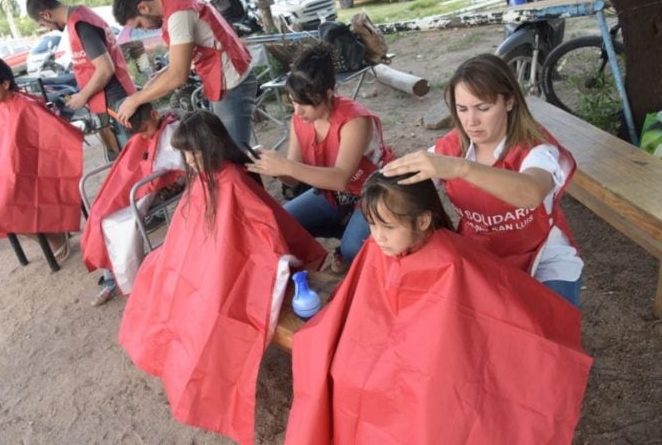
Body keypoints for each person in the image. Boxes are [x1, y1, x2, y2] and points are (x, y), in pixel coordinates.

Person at [286, 172, 593, 445]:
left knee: (424, 406)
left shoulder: (453, 263)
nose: (377, 237)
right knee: (340, 371)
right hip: (388, 344)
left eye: (388, 227)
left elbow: (470, 329)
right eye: (372, 225)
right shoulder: (380, 247)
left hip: (437, 360)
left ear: (422, 221)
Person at [118, 110, 326, 445]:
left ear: (213, 147)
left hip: (230, 267)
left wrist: (209, 268)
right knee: (157, 276)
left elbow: (259, 238)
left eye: (194, 153)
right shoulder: (204, 178)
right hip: (204, 261)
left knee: (209, 311)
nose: (189, 161)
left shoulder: (232, 179)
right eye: (184, 154)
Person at [382, 53, 583, 306]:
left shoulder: (538, 149)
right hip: (479, 253)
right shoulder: (450, 147)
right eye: (462, 109)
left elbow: (531, 193)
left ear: (509, 101)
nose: (471, 121)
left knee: (551, 329)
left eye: (483, 108)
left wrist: (463, 169)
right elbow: (401, 188)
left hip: (542, 255)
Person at [246, 43, 394, 273]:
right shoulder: (301, 119)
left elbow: (341, 178)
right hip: (334, 196)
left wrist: (287, 165)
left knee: (354, 248)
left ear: (327, 94)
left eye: (305, 104)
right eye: (293, 102)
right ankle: (347, 233)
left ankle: (354, 243)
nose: (298, 112)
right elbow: (293, 179)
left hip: (373, 193)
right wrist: (270, 166)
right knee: (282, 225)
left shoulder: (354, 120)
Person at [0, 57, 83, 261]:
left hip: (34, 173)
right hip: (12, 172)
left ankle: (55, 238)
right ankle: (50, 236)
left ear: (5, 83)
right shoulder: (3, 109)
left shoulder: (25, 106)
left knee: (0, 210)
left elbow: (51, 141)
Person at [111, 0, 258, 145]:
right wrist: (157, 79)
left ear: (143, 7)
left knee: (235, 154)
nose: (144, 30)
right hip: (224, 81)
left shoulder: (178, 13)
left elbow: (178, 75)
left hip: (232, 84)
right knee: (227, 149)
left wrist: (135, 100)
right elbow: (180, 62)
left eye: (139, 24)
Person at [80, 102, 185, 306]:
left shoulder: (173, 130)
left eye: (145, 130)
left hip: (153, 187)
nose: (144, 136)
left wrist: (163, 182)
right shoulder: (141, 136)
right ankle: (112, 276)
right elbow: (126, 167)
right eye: (139, 133)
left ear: (155, 114)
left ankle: (129, 280)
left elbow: (178, 166)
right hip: (140, 186)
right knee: (99, 215)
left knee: (116, 223)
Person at [26, 0, 137, 159]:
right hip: (111, 101)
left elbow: (105, 68)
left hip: (116, 102)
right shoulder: (80, 18)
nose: (48, 29)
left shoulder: (81, 24)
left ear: (46, 14)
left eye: (43, 24)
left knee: (131, 157)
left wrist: (82, 96)